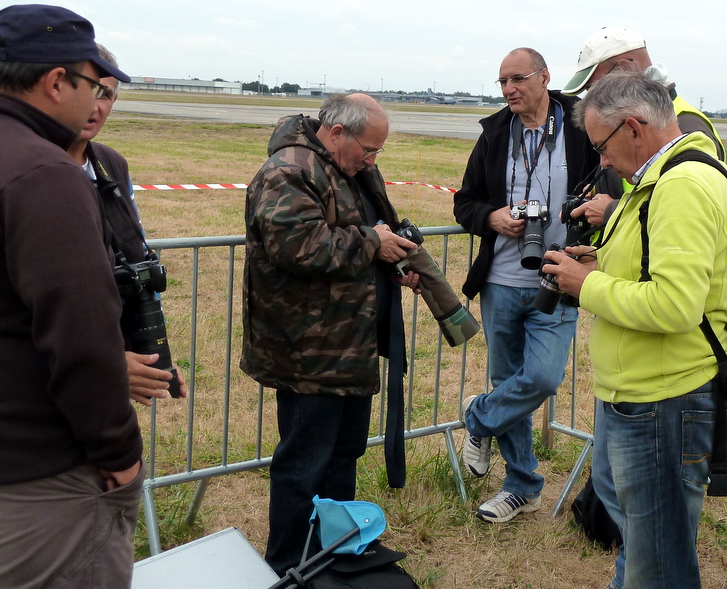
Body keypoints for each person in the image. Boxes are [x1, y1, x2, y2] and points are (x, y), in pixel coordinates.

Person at [544, 70, 727, 589]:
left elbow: (675, 305)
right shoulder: (662, 179)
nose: (602, 162)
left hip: (665, 398)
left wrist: (585, 285)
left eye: (601, 147)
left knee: (657, 564)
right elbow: (654, 271)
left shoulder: (682, 185)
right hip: (652, 393)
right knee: (646, 551)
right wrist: (601, 262)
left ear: (634, 127)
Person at [0, 5, 143, 588]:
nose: (96, 100)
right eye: (92, 84)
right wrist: (118, 452)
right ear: (55, 82)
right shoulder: (42, 172)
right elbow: (81, 336)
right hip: (32, 477)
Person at [241, 93, 420, 575]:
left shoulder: (353, 168)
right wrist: (372, 244)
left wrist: (394, 262)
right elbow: (297, 247)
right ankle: (287, 566)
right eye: (370, 148)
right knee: (304, 463)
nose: (373, 159)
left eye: (378, 152)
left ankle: (332, 558)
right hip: (308, 351)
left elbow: (369, 232)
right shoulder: (288, 171)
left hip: (351, 347)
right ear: (337, 132)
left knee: (343, 456)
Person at [452, 47, 599, 524]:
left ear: (545, 77)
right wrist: (491, 217)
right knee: (506, 377)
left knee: (541, 378)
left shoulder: (580, 129)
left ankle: (479, 417)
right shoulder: (495, 134)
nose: (509, 89)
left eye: (517, 78)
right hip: (501, 278)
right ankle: (522, 486)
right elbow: (465, 203)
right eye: (502, 82)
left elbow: (612, 188)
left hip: (559, 278)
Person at [65, 44, 188, 405]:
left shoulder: (110, 163)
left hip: (109, 360)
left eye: (108, 95)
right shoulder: (32, 169)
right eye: (90, 91)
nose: (96, 106)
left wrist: (152, 356)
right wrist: (105, 365)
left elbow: (136, 257)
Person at [562, 26, 725, 227]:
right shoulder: (624, 122)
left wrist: (612, 210)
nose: (591, 99)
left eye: (593, 88)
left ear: (624, 70)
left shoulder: (685, 124)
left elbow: (687, 213)